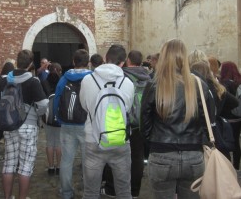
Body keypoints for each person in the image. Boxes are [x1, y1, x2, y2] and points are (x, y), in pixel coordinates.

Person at [141, 39, 211, 199]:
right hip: (193, 155)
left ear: (163, 57)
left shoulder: (153, 85)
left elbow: (144, 124)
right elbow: (207, 122)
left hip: (161, 154)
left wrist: (153, 143)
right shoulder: (200, 85)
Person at [0, 49, 47, 199]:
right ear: (30, 64)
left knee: (9, 163)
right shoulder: (33, 81)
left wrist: (4, 113)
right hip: (28, 127)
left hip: (9, 126)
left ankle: (8, 197)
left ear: (16, 62)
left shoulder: (5, 80)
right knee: (25, 165)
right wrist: (36, 113)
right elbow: (43, 104)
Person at [80, 44, 134, 199]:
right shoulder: (128, 83)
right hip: (120, 141)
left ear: (105, 58)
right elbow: (127, 109)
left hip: (93, 139)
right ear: (123, 63)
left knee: (90, 191)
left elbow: (85, 106)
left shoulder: (87, 80)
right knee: (124, 191)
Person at [101, 49, 150, 198]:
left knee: (113, 155)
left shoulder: (122, 75)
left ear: (128, 61)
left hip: (123, 122)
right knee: (137, 158)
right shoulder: (149, 77)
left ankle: (110, 189)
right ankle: (134, 191)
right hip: (141, 123)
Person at [53, 49, 92, 199]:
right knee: (87, 160)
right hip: (86, 124)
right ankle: (88, 192)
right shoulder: (92, 78)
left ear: (74, 62)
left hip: (67, 124)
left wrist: (59, 117)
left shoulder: (64, 78)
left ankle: (66, 192)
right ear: (87, 63)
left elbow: (57, 99)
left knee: (66, 160)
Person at [190, 61, 238, 159]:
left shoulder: (195, 88)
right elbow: (235, 102)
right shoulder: (217, 87)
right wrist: (221, 112)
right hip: (215, 126)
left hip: (201, 128)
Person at [41, 62, 63, 176]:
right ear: (59, 71)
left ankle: (50, 167)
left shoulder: (44, 82)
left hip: (47, 116)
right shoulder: (62, 83)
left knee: (50, 142)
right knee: (59, 143)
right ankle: (59, 167)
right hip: (59, 116)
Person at [220, 61, 241, 169]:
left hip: (227, 118)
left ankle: (227, 166)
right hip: (238, 117)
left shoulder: (223, 84)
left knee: (226, 142)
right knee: (236, 141)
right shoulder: (239, 81)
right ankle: (236, 165)